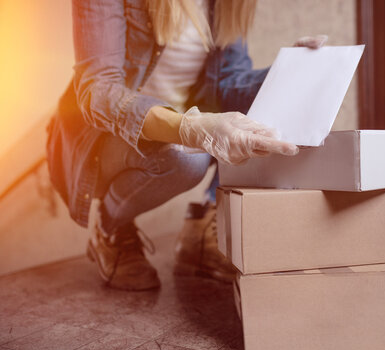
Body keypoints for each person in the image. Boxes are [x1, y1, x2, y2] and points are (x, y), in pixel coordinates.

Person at [46, 0, 327, 291]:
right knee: (187, 159)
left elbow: (228, 84)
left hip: (175, 132)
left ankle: (200, 230)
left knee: (263, 120)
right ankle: (110, 226)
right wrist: (187, 127)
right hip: (98, 138)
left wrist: (286, 75)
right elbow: (98, 92)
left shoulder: (226, 4)